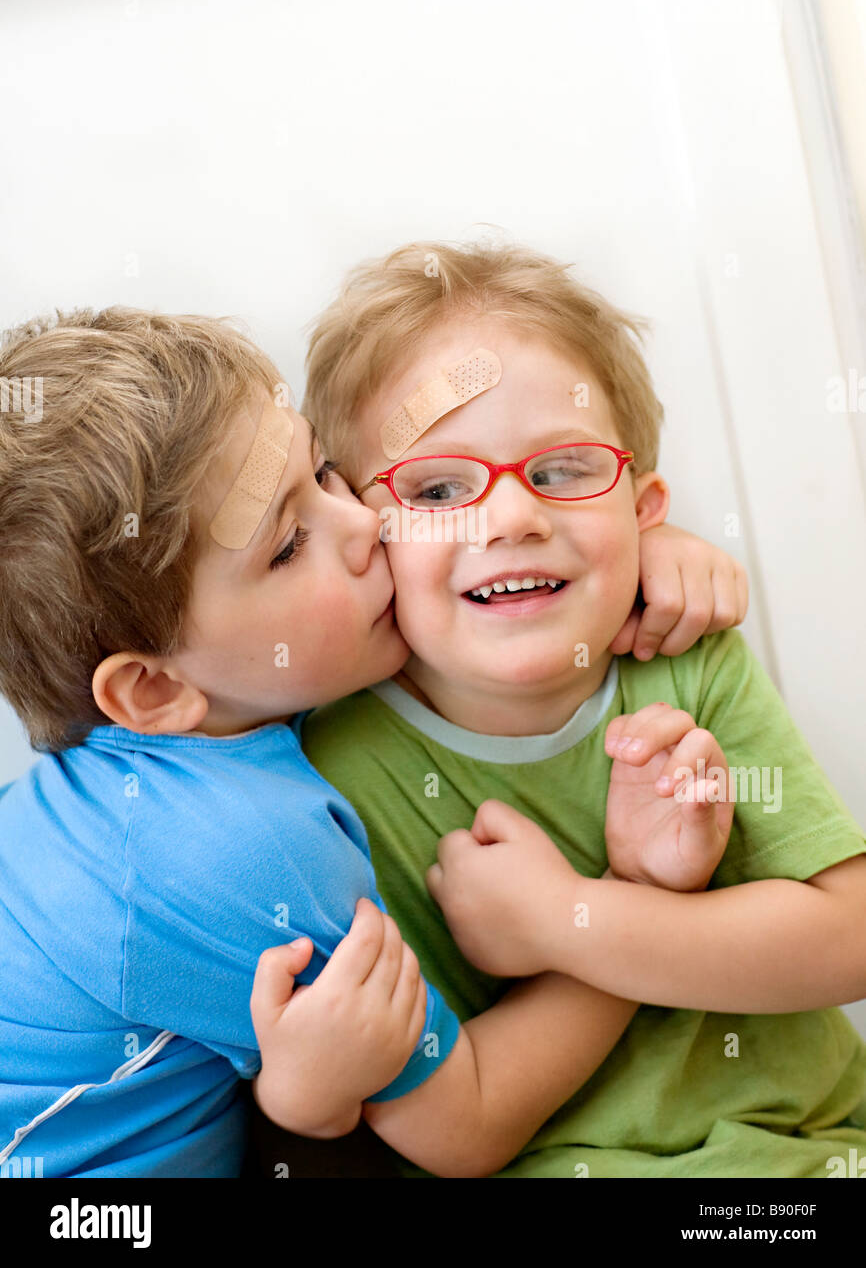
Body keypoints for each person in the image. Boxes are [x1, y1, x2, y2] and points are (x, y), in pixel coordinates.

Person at [0, 306, 744, 1177]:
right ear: (156, 689)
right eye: (288, 546)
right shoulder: (245, 850)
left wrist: (627, 552)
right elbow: (463, 1121)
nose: (364, 524)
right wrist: (625, 901)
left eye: (322, 470)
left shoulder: (191, 742)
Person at [263, 239, 866, 1177]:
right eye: (438, 489)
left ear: (643, 509)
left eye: (563, 471)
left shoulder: (689, 664)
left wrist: (569, 919)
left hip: (818, 1150)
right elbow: (452, 1126)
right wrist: (619, 904)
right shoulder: (341, 768)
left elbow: (848, 939)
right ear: (366, 536)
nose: (509, 519)